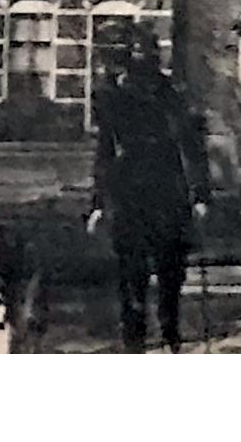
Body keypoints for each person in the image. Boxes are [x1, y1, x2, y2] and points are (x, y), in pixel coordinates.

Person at [88, 28, 209, 353]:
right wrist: (98, 203)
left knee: (172, 270)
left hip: (167, 190)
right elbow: (104, 152)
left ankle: (170, 330)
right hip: (130, 193)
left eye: (148, 58)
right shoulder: (115, 100)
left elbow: (193, 148)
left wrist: (200, 195)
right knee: (132, 274)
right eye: (137, 58)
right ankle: (135, 340)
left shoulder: (172, 97)